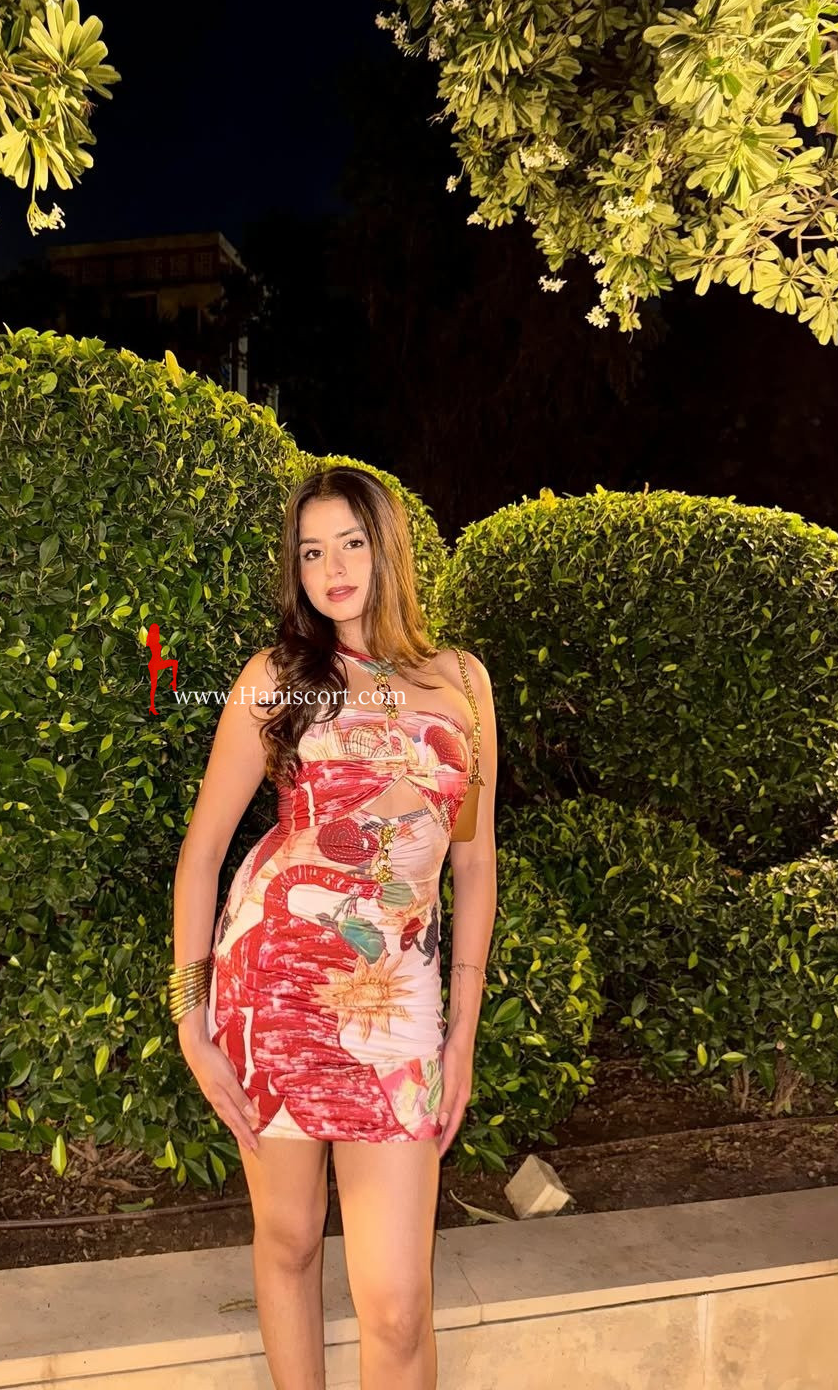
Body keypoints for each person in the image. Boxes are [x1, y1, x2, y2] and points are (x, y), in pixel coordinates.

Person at [171, 466, 498, 1390]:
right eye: (312, 552)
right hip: (271, 986)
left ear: (388, 548)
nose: (334, 569)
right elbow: (203, 854)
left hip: (400, 1004)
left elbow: (472, 862)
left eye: (351, 543)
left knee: (397, 1305)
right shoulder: (276, 680)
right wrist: (190, 1020)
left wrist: (462, 1032)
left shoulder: (462, 682)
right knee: (290, 1238)